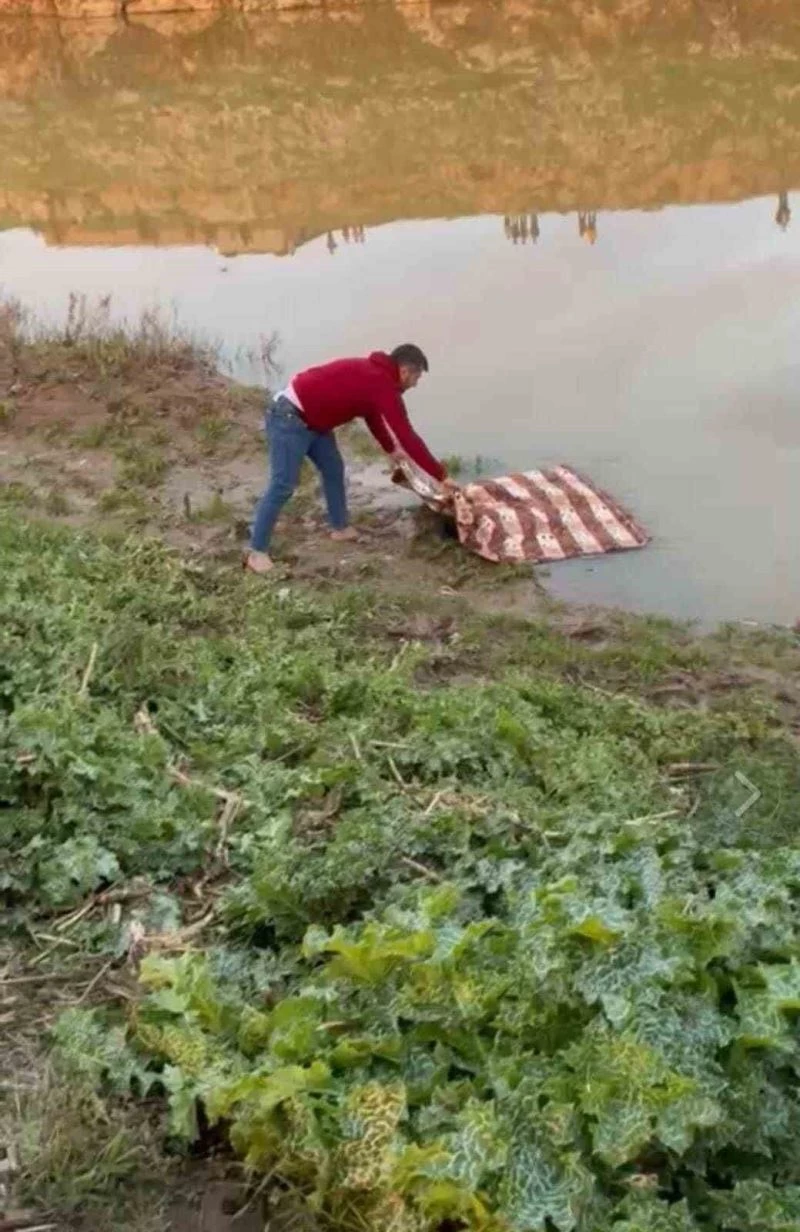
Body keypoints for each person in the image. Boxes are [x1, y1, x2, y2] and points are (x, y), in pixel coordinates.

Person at [246, 344, 453, 573]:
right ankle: (257, 552)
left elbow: (371, 412)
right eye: (416, 377)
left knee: (333, 470)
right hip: (289, 417)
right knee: (283, 484)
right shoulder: (381, 383)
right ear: (405, 371)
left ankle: (340, 528)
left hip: (316, 421)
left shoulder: (377, 377)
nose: (415, 384)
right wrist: (441, 475)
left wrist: (390, 449)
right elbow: (407, 435)